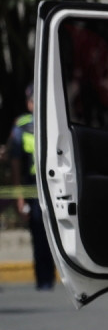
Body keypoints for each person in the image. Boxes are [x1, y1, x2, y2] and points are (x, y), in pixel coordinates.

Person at [6, 84, 56, 290]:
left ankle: (49, 278)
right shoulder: (22, 126)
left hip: (51, 187)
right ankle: (42, 279)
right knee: (38, 233)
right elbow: (16, 163)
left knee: (50, 234)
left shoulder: (53, 124)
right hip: (33, 189)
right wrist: (19, 197)